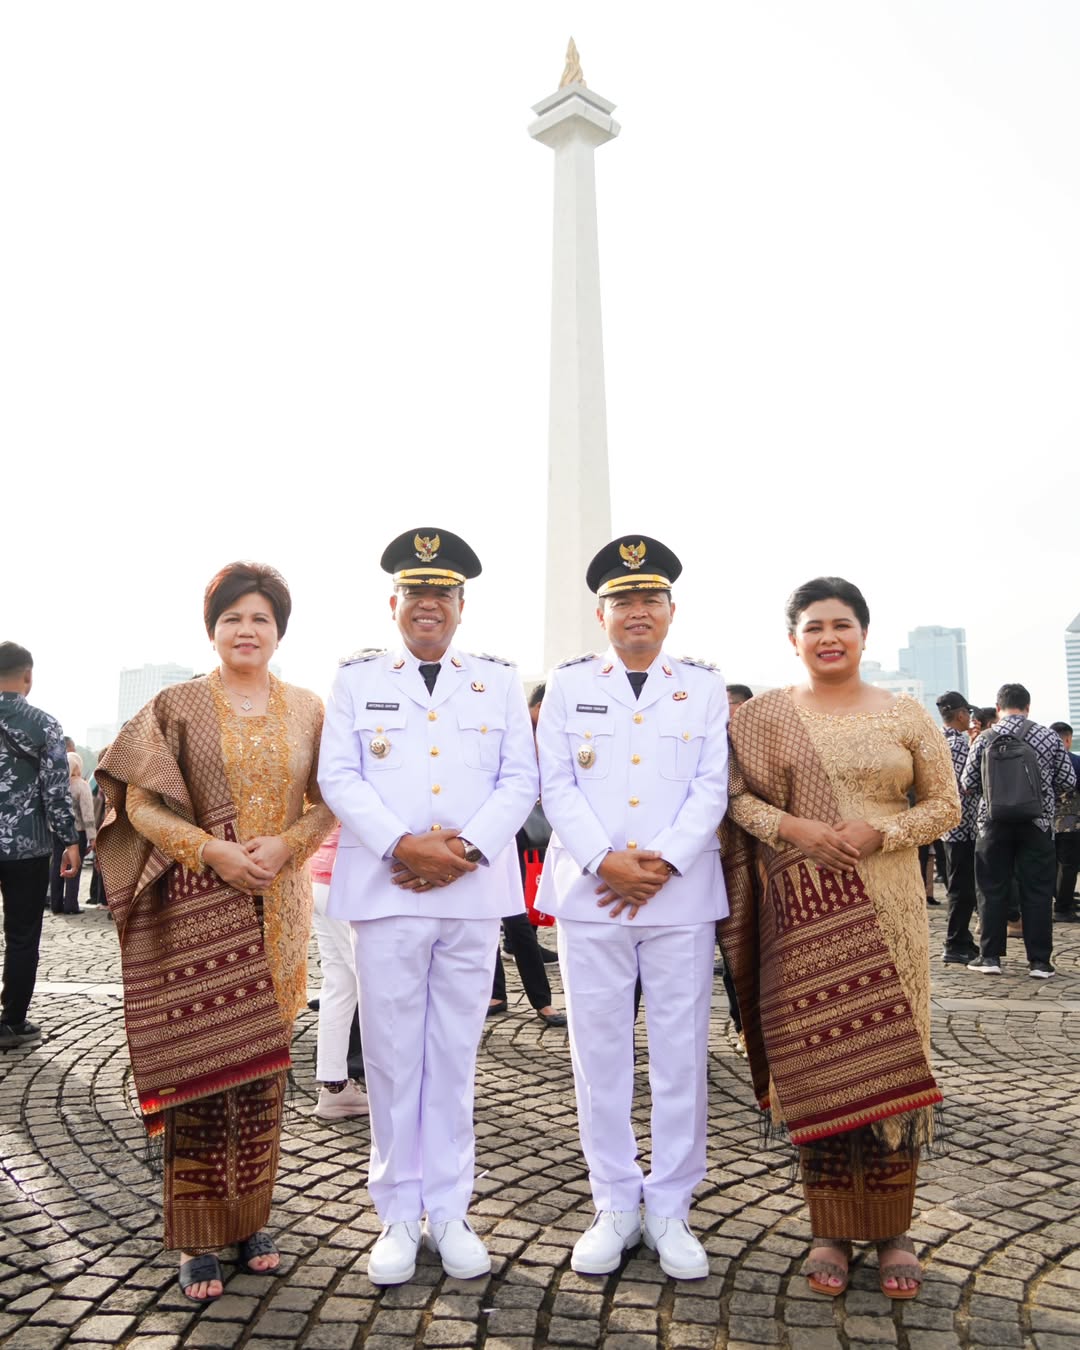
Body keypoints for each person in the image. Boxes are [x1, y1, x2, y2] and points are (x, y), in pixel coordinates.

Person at [95, 563, 334, 1303]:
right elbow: (138, 804)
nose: (247, 630)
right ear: (212, 628)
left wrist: (288, 846)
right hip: (197, 916)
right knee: (202, 1078)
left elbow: (329, 801)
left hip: (280, 911)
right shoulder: (176, 706)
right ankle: (197, 1237)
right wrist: (212, 850)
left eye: (260, 618)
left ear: (279, 630)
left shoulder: (309, 710)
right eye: (233, 618)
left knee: (263, 1075)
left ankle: (252, 1217)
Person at [722, 577, 959, 1301]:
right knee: (820, 1061)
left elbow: (946, 805)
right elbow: (736, 799)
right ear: (793, 638)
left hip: (890, 905)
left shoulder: (906, 713)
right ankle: (827, 1226)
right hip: (803, 910)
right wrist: (794, 828)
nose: (830, 637)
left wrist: (882, 830)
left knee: (892, 1062)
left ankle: (894, 1231)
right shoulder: (763, 717)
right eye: (815, 626)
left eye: (843, 625)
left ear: (863, 635)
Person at [318, 528, 538, 1286]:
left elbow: (520, 778)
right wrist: (402, 846)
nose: (428, 607)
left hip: (471, 894)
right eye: (416, 594)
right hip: (387, 891)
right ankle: (396, 1212)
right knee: (388, 1055)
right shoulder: (356, 678)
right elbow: (338, 777)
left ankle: (450, 1207)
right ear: (394, 604)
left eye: (441, 595)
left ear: (461, 606)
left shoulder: (498, 680)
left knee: (452, 1054)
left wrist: (464, 850)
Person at [535, 535, 730, 1281]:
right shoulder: (569, 684)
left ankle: (673, 1202)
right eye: (624, 601)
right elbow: (557, 785)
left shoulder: (705, 687)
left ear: (671, 611)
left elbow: (711, 785)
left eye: (650, 599)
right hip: (593, 894)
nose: (637, 611)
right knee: (600, 1056)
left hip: (678, 894)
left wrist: (666, 860)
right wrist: (604, 860)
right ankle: (614, 1201)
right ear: (601, 613)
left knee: (682, 1054)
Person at [961, 684, 1076, 977]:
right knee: (1037, 891)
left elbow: (967, 782)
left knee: (991, 888)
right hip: (1037, 824)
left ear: (998, 708)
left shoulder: (985, 737)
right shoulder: (1048, 736)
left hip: (992, 823)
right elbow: (1067, 779)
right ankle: (1039, 962)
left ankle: (989, 958)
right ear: (1028, 707)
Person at [0, 642, 81, 1049]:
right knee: (22, 933)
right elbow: (55, 790)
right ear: (27, 676)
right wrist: (69, 840)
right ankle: (11, 1022)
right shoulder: (43, 724)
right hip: (26, 847)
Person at [490, 680, 566, 1026]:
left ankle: (542, 1000)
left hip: (513, 839)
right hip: (485, 836)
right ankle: (495, 992)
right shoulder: (511, 728)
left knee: (518, 920)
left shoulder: (545, 733)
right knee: (486, 920)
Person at [308, 824, 369, 1118]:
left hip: (321, 874)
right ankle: (396, 1088)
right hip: (345, 878)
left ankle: (334, 1088)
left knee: (340, 987)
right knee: (374, 984)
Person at [935, 692, 980, 963]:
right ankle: (954, 942)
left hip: (948, 826)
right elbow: (967, 784)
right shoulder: (960, 745)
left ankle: (962, 939)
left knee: (958, 884)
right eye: (968, 713)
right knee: (963, 888)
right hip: (964, 826)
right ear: (961, 714)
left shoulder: (938, 740)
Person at [49, 753, 96, 914]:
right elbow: (88, 814)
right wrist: (92, 837)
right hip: (78, 832)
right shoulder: (82, 786)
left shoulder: (57, 785)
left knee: (56, 866)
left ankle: (56, 904)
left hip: (57, 832)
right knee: (74, 867)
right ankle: (71, 905)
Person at [1049, 722, 1080, 923]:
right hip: (1072, 822)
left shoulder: (1041, 760)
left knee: (1054, 864)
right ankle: (1063, 906)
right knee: (1069, 866)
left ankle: (1060, 899)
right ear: (1067, 739)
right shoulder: (1074, 761)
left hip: (1047, 822)